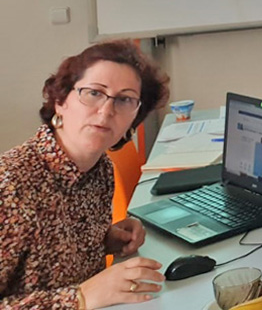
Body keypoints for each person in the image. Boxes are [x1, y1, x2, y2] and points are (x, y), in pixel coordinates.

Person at [0, 41, 169, 309]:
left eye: (124, 99)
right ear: (60, 101)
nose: (106, 111)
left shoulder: (100, 169)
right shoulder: (10, 184)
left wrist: (104, 240)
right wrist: (79, 297)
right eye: (93, 93)